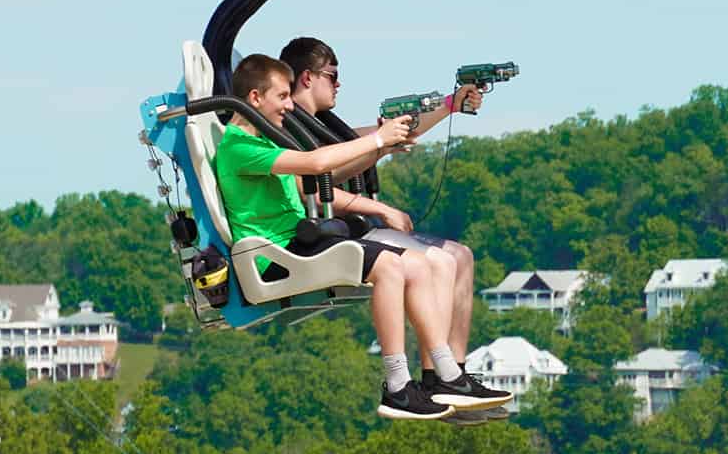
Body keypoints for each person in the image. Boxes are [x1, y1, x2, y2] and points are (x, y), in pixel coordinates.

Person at [214, 53, 511, 421]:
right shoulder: (240, 148)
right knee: (389, 266)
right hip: (278, 256)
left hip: (300, 241)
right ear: (256, 99)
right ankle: (398, 386)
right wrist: (378, 141)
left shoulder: (264, 145)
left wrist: (383, 141)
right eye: (281, 97)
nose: (288, 106)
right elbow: (318, 164)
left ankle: (446, 375)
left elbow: (322, 168)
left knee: (415, 265)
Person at [278, 37, 491, 408]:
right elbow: (313, 179)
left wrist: (447, 107)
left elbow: (363, 144)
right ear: (308, 78)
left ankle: (454, 369)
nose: (339, 84)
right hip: (336, 229)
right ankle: (437, 378)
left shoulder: (322, 122)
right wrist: (377, 198)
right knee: (440, 260)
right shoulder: (290, 127)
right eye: (333, 75)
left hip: (351, 223)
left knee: (462, 254)